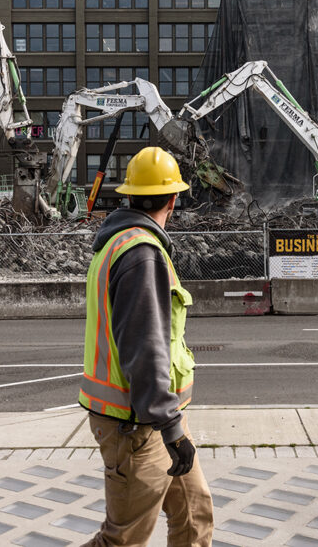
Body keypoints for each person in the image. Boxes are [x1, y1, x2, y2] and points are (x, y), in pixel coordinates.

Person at [79, 146, 213, 547]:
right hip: (136, 425)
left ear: (130, 196)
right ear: (174, 199)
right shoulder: (141, 254)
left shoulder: (118, 244)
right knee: (122, 540)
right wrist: (171, 429)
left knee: (194, 515)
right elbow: (146, 347)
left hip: (153, 416)